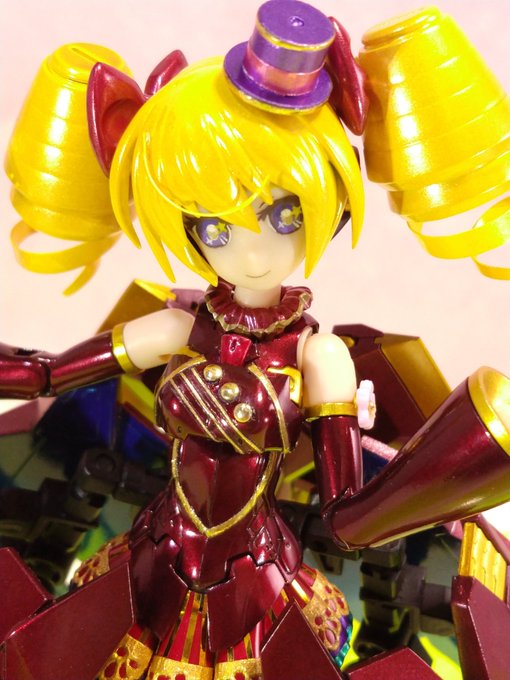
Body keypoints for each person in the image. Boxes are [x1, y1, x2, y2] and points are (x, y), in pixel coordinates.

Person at [2, 2, 510, 679]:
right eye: (214, 227)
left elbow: (346, 515)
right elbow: (44, 375)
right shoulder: (177, 330)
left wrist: (465, 463)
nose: (251, 251)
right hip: (156, 554)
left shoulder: (318, 357)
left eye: (282, 214)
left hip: (256, 577)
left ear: (329, 203)